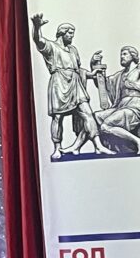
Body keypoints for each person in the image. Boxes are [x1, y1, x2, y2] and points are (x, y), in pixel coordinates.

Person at [31, 14, 111, 158]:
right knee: (57, 118)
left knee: (88, 114)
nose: (72, 36)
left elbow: (78, 70)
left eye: (73, 34)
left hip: (75, 84)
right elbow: (38, 40)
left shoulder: (73, 50)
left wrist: (91, 74)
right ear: (62, 33)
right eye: (70, 33)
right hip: (59, 83)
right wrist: (37, 27)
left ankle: (98, 145)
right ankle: (57, 148)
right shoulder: (51, 47)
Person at [93, 45, 140, 152]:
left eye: (125, 54)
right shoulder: (119, 75)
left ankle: (137, 141)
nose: (122, 57)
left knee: (105, 126)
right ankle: (98, 147)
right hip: (121, 106)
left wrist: (133, 85)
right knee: (95, 117)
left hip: (135, 106)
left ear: (133, 56)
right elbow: (102, 85)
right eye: (121, 55)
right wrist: (94, 65)